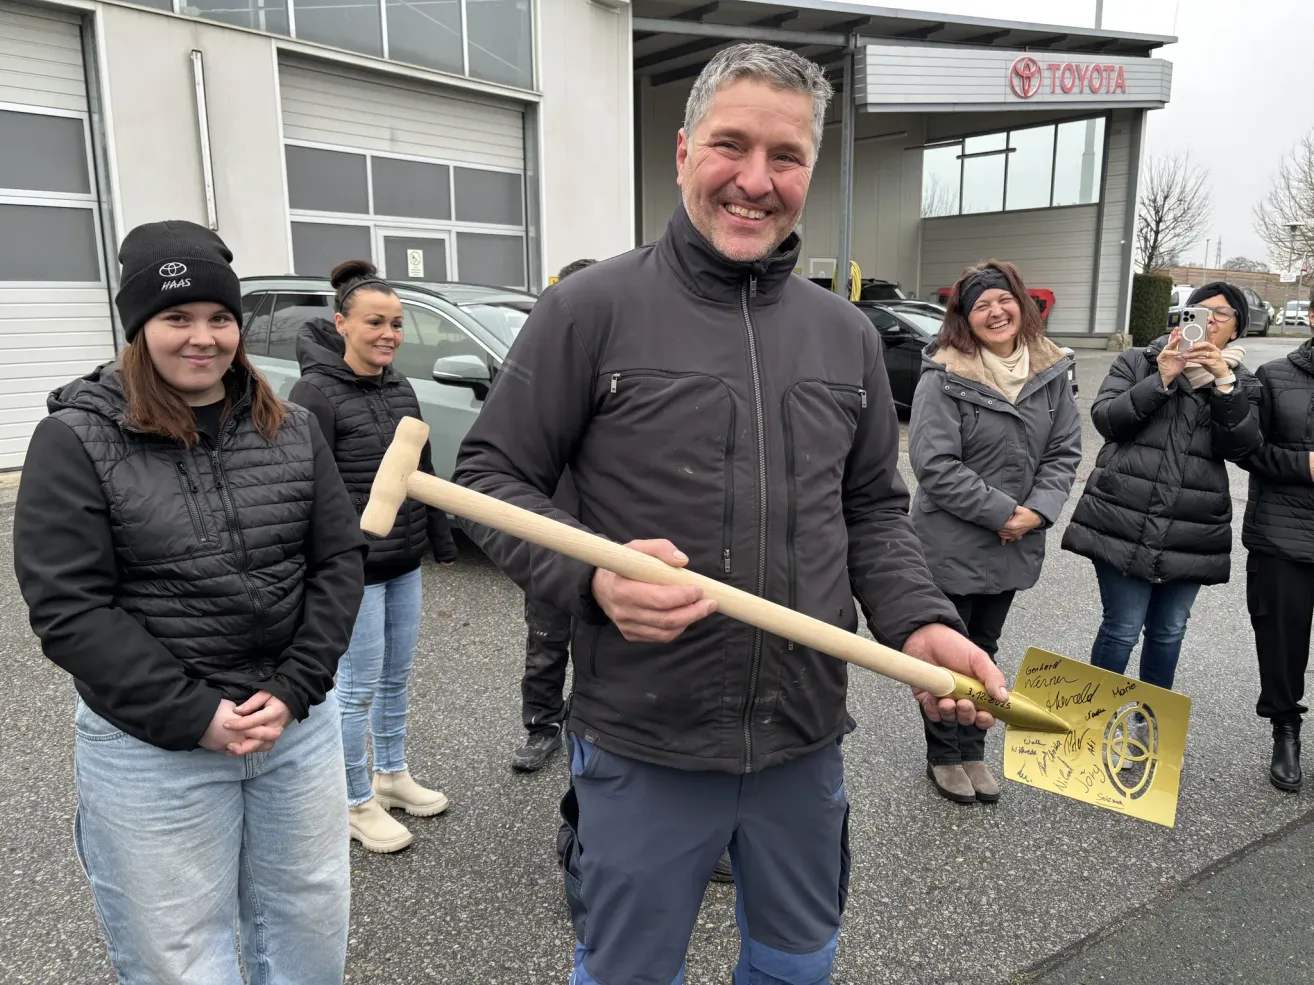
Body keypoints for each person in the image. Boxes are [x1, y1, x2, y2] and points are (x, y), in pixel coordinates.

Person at [452, 43, 1007, 984]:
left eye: (785, 157)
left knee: (796, 965)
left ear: (811, 170)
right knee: (627, 972)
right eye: (730, 146)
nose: (756, 181)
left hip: (801, 735)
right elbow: (486, 476)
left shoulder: (844, 335)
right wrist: (589, 577)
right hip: (644, 737)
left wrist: (923, 622)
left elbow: (873, 509)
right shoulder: (591, 309)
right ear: (682, 153)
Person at [12, 220, 366, 984]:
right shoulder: (74, 440)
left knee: (308, 921)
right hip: (154, 748)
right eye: (177, 317)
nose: (202, 337)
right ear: (139, 328)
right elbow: (70, 609)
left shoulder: (292, 427)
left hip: (292, 731)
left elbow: (337, 560)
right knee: (178, 951)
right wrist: (191, 712)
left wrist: (296, 685)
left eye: (219, 317)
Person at [289, 259, 457, 854]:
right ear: (342, 324)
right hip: (351, 569)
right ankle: (354, 801)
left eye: (396, 323)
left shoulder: (401, 386)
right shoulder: (315, 392)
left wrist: (437, 539)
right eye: (374, 323)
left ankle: (391, 775)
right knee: (354, 687)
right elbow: (304, 486)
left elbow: (422, 469)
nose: (388, 334)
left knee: (394, 678)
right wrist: (329, 561)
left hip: (402, 559)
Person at [908, 260, 1082, 804]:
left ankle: (973, 748)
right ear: (965, 319)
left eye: (1003, 299)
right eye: (981, 305)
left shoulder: (1050, 372)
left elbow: (1063, 452)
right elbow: (934, 465)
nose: (995, 311)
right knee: (946, 654)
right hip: (952, 542)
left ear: (1022, 303)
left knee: (985, 644)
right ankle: (944, 755)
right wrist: (1004, 513)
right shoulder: (944, 375)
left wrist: (1039, 510)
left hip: (1014, 543)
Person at [1062, 282, 1261, 693]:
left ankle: (1150, 726)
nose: (1207, 322)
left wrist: (1224, 384)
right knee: (1122, 627)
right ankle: (1092, 723)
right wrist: (1161, 379)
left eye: (1220, 315)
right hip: (1124, 514)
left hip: (1192, 524)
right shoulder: (1139, 361)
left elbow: (1243, 448)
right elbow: (1107, 421)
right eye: (1198, 311)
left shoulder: (1242, 383)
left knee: (1169, 630)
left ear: (1236, 331)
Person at [513, 257, 594, 775]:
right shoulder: (535, 375)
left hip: (613, 540)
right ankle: (541, 725)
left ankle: (591, 727)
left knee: (609, 644)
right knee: (546, 639)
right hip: (554, 534)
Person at [1236, 301, 1314, 792]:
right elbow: (1247, 448)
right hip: (1284, 536)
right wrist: (1306, 466)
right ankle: (1286, 728)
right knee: (1282, 644)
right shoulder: (1275, 374)